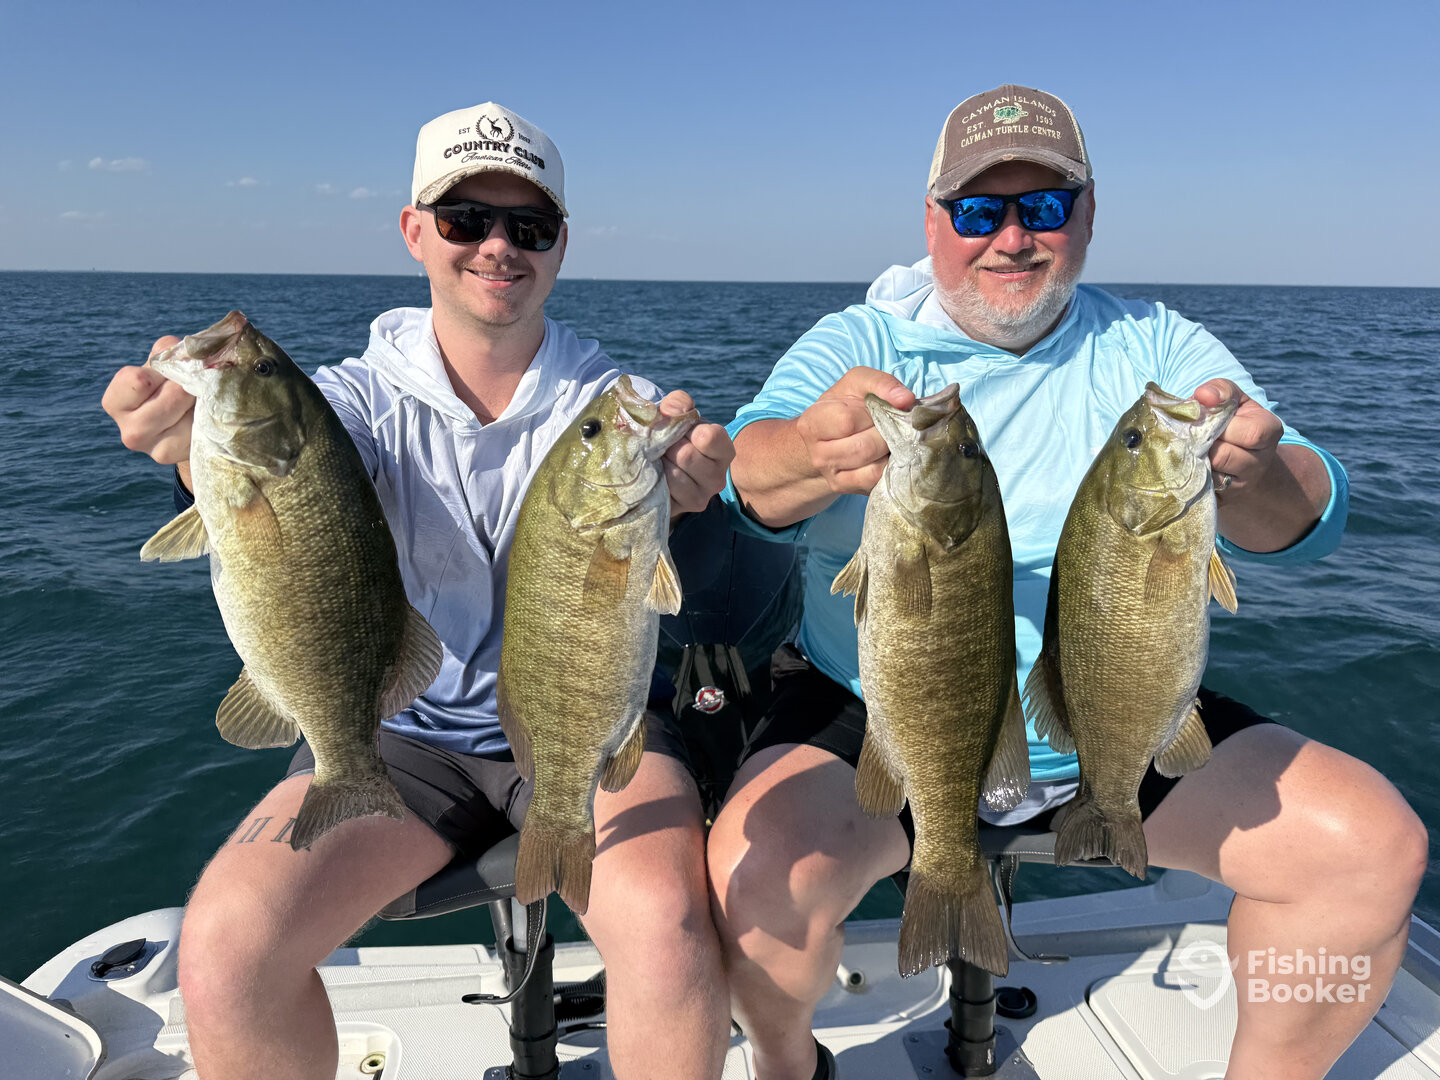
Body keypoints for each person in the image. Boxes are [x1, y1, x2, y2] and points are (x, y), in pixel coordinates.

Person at [715, 84, 1428, 1080]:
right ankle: (790, 1066)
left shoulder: (1157, 349)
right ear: (933, 221)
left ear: (1088, 215)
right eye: (978, 210)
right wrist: (805, 451)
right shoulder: (860, 343)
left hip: (1111, 714)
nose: (1011, 237)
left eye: (1043, 206)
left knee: (1371, 849)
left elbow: (1313, 517)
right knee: (750, 885)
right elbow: (747, 475)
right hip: (885, 708)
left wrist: (1261, 474)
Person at [101, 102, 739, 1080]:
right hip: (401, 736)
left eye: (528, 225)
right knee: (226, 950)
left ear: (560, 243)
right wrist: (195, 454)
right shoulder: (351, 399)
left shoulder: (617, 408)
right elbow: (301, 483)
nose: (497, 245)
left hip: (587, 719)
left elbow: (684, 529)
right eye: (463, 219)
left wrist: (694, 492)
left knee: (665, 925)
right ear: (414, 231)